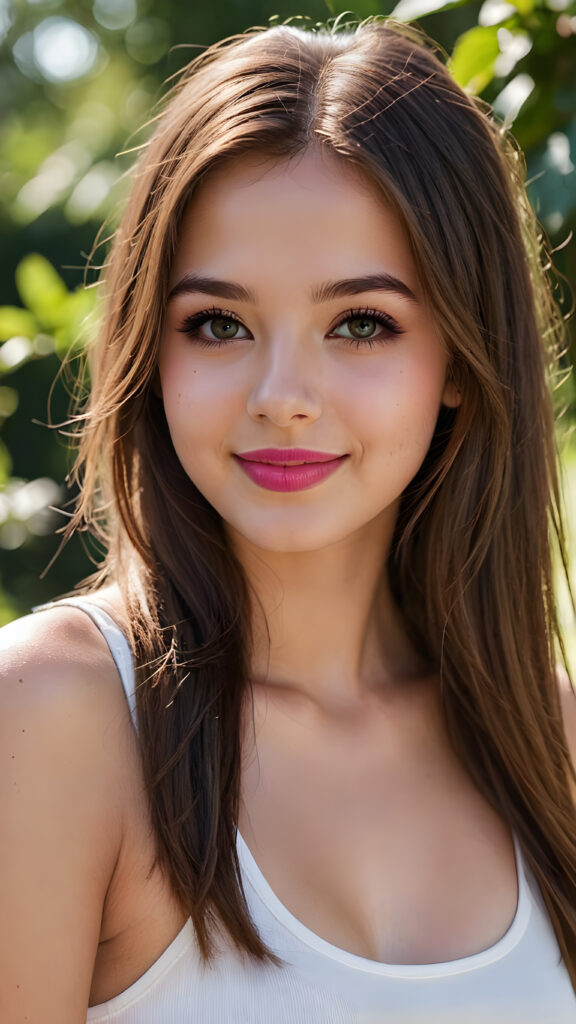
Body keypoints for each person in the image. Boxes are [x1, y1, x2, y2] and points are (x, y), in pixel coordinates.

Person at [1, 16, 576, 1022]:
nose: (282, 394)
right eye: (218, 323)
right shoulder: (56, 720)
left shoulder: (557, 747)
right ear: (152, 348)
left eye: (361, 323)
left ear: (461, 364)